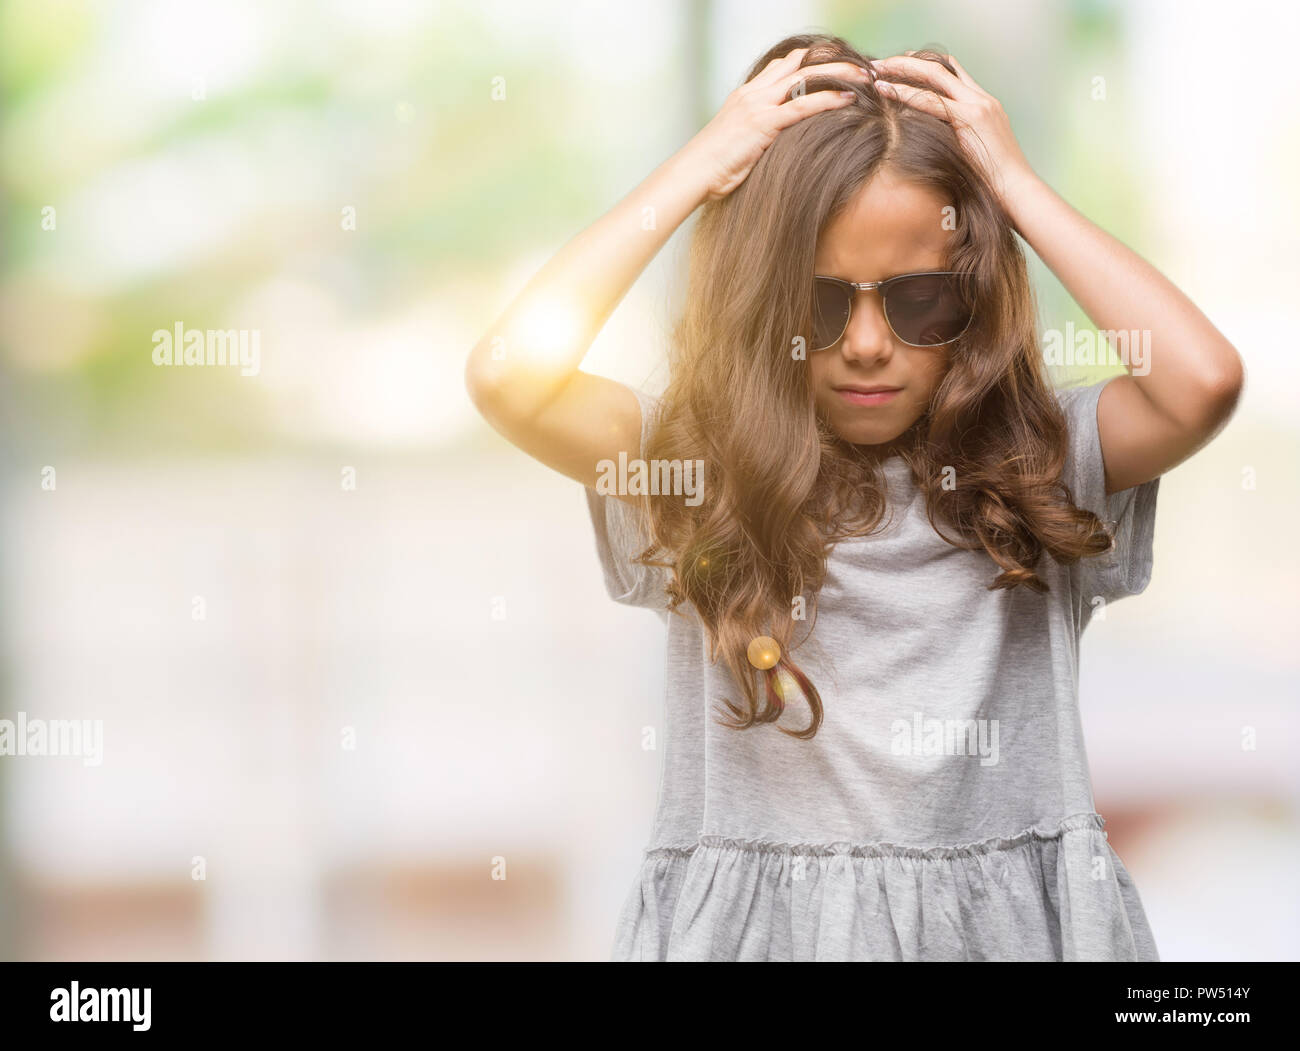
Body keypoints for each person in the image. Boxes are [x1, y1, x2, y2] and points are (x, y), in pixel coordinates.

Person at [463, 33, 1244, 961]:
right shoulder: (699, 471)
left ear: (975, 293)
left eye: (920, 301)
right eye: (819, 303)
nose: (868, 343)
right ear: (762, 304)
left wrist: (1016, 190)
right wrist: (701, 167)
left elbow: (1201, 381)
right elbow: (510, 375)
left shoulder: (1039, 466)